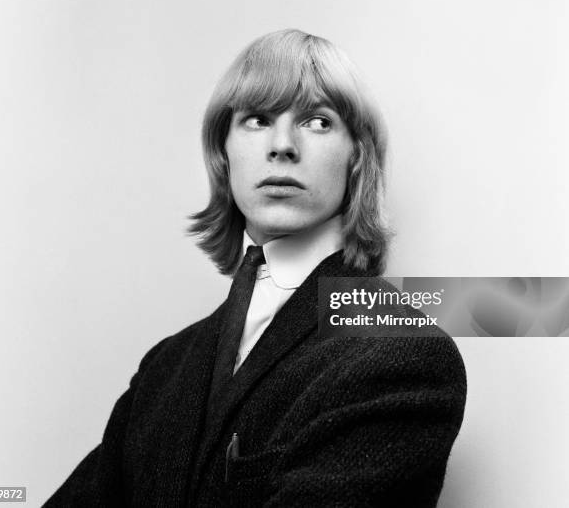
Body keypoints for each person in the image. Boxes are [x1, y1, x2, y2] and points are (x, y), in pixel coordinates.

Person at [44, 29, 467, 507]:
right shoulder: (164, 367)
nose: (282, 145)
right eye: (258, 119)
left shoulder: (404, 352)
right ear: (223, 155)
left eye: (317, 121)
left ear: (357, 160)